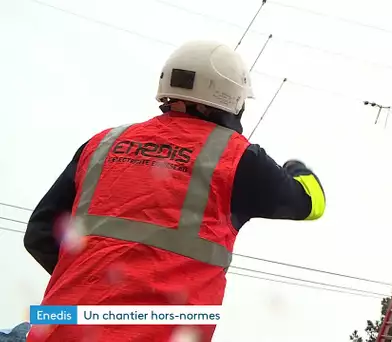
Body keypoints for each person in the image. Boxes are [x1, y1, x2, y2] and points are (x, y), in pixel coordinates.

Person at [24, 40, 326, 342]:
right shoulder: (237, 158)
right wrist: (296, 168)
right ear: (234, 100)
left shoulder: (103, 143)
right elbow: (311, 204)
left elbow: (39, 234)